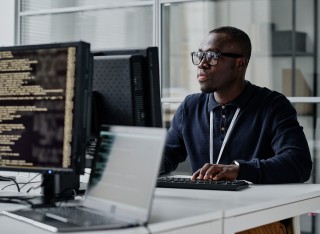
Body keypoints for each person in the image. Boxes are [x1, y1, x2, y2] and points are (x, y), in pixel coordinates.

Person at [161, 26, 312, 184]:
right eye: (200, 55)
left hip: (255, 206)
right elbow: (167, 155)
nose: (202, 64)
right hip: (204, 204)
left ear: (240, 64)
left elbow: (298, 163)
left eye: (212, 56)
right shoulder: (190, 107)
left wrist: (239, 170)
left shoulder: (273, 105)